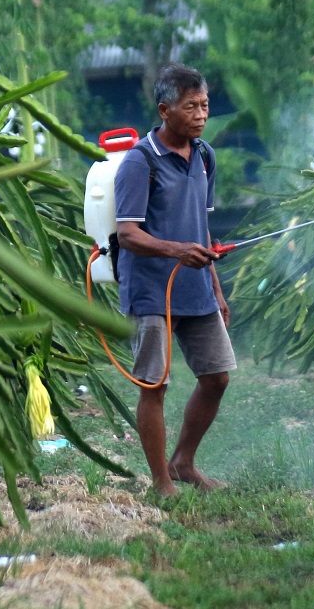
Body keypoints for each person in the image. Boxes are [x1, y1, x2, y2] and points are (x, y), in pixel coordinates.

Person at [114, 63, 235, 497]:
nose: (201, 114)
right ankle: (161, 483)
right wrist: (176, 251)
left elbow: (201, 228)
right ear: (165, 110)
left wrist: (216, 290)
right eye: (190, 107)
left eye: (205, 105)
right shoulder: (138, 162)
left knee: (217, 377)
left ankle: (183, 462)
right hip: (150, 293)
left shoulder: (204, 155)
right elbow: (127, 234)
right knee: (154, 385)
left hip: (196, 289)